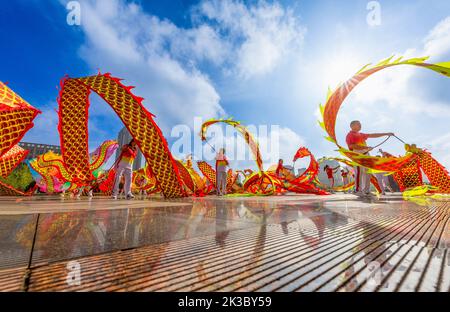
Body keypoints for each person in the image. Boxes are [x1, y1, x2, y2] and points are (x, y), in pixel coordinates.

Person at [346, 120, 394, 197]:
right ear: (352, 126)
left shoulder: (361, 134)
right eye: (358, 124)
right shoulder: (350, 135)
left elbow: (372, 135)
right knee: (359, 172)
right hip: (357, 155)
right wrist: (366, 147)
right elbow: (351, 146)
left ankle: (366, 190)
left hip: (366, 155)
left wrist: (386, 134)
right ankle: (358, 190)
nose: (360, 125)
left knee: (368, 173)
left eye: (360, 124)